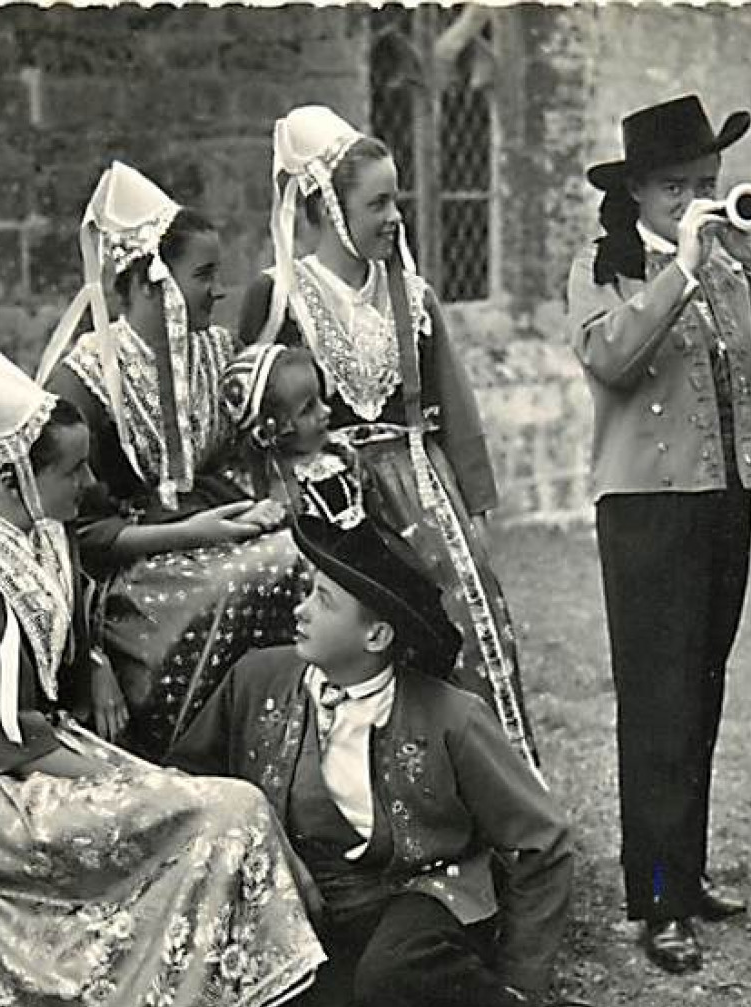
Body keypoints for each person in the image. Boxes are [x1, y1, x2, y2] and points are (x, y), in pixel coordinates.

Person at [0, 351, 324, 1007]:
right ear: (12, 477)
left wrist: (92, 656)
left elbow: (74, 593)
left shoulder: (38, 532)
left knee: (221, 805)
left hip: (39, 745)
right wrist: (122, 778)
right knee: (214, 808)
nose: (86, 487)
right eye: (70, 473)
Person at [169, 514, 668, 1007]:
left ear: (376, 636)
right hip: (323, 910)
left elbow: (544, 840)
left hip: (429, 893)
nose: (300, 610)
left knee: (395, 971)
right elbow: (194, 783)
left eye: (322, 601)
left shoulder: (450, 716)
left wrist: (520, 981)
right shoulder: (257, 680)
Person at [565, 94, 751, 974]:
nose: (694, 198)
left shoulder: (731, 270)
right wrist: (684, 269)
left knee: (700, 689)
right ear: (635, 193)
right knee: (658, 700)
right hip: (646, 506)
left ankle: (687, 871)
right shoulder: (603, 267)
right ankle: (657, 896)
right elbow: (610, 359)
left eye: (705, 183)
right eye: (676, 186)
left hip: (724, 497)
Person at [239, 105, 539, 773]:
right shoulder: (279, 297)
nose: (393, 217)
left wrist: (475, 513)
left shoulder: (413, 297)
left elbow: (455, 411)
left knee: (464, 624)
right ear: (329, 207)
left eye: (395, 200)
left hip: (418, 488)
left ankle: (484, 803)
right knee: (356, 650)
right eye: (376, 203)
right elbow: (256, 422)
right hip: (326, 506)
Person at [38, 161, 301, 758]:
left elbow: (249, 457)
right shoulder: (84, 384)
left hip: (220, 540)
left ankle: (290, 759)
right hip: (129, 577)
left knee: (310, 554)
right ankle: (193, 755)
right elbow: (74, 535)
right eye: (203, 275)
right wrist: (189, 531)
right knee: (259, 573)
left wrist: (262, 504)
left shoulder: (217, 351)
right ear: (152, 281)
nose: (220, 291)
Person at [226, 341, 368, 532]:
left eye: (320, 398)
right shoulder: (241, 492)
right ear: (270, 431)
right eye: (307, 409)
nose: (325, 410)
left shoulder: (336, 462)